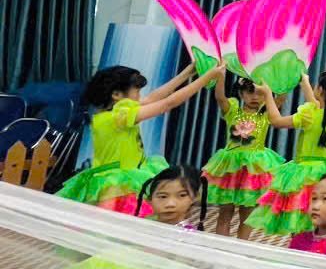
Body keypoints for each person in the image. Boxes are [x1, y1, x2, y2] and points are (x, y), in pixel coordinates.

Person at [57, 62, 223, 215]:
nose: (139, 95)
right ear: (116, 94)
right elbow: (167, 104)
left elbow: (153, 98)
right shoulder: (119, 116)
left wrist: (187, 73)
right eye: (136, 91)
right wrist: (206, 78)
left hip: (121, 178)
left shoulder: (111, 114)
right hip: (118, 184)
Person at [246, 68, 326, 236]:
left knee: (300, 222)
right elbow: (319, 108)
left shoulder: (309, 113)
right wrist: (305, 83)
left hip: (303, 174)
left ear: (321, 90)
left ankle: (300, 247)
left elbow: (276, 121)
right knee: (318, 224)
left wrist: (268, 94)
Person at [203, 75, 285, 239]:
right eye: (249, 92)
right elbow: (220, 97)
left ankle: (242, 246)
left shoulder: (266, 113)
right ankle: (220, 247)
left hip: (253, 170)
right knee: (225, 212)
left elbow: (282, 97)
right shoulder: (233, 111)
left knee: (247, 214)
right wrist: (221, 76)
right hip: (230, 169)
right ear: (241, 93)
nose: (255, 97)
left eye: (259, 93)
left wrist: (281, 75)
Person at [135, 164, 208, 231]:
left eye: (182, 195)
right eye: (163, 196)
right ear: (149, 200)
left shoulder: (191, 235)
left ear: (194, 197)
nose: (170, 204)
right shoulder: (140, 228)